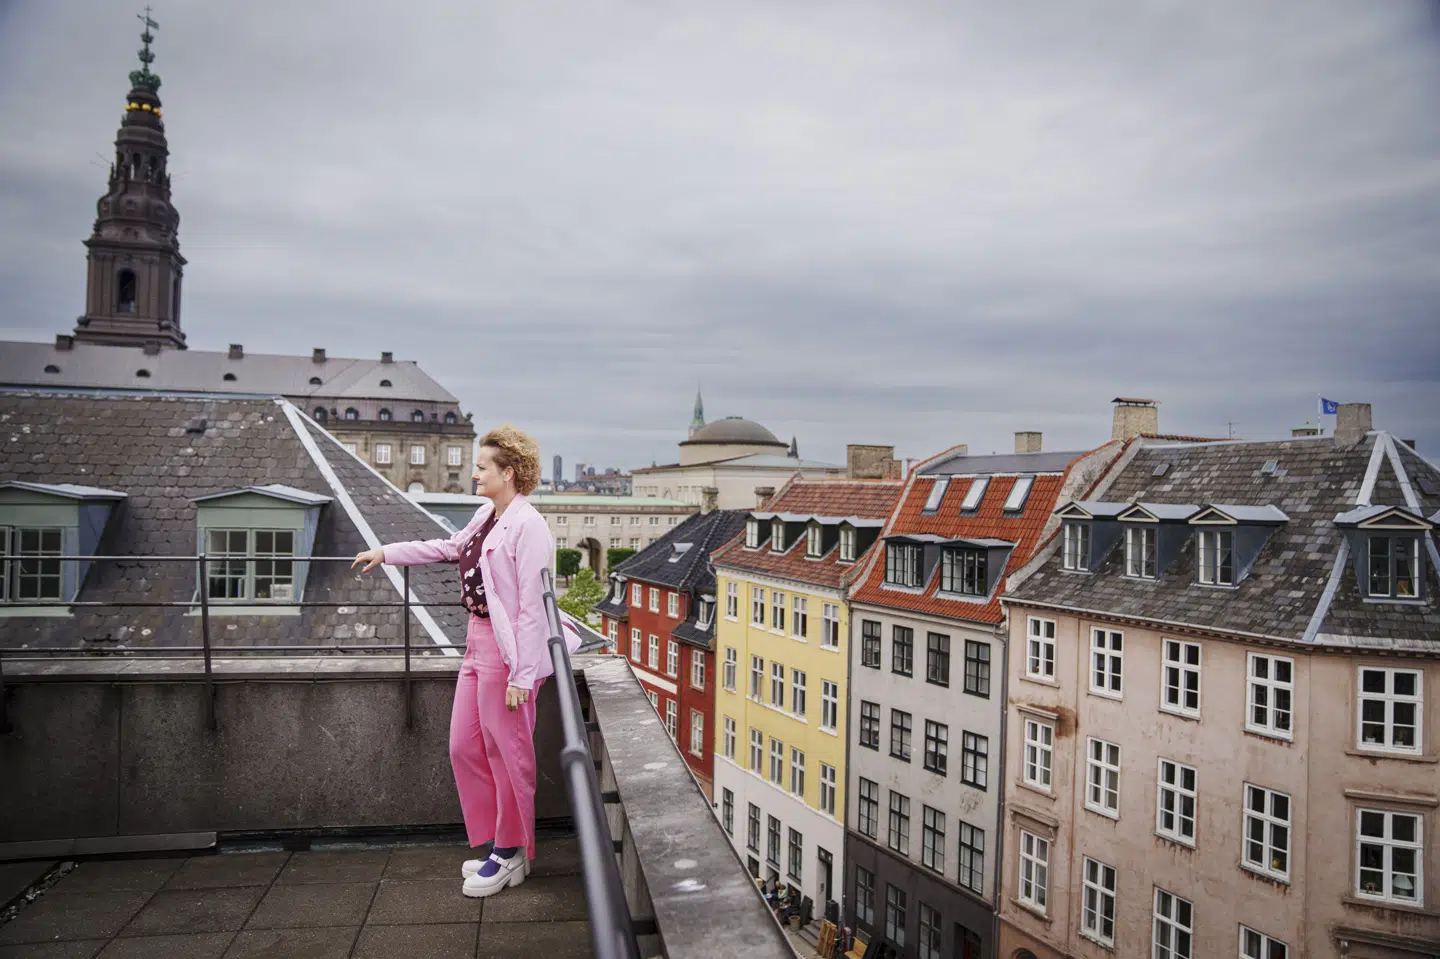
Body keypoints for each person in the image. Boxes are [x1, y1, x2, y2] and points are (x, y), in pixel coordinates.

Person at [352, 424, 580, 898]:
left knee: (508, 752)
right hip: (476, 641)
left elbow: (533, 608)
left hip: (507, 650)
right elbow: (448, 548)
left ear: (509, 472)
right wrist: (386, 553)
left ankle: (511, 851)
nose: (473, 473)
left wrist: (521, 674)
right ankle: (500, 843)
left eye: (482, 467)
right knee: (464, 747)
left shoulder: (529, 526)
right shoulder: (487, 515)